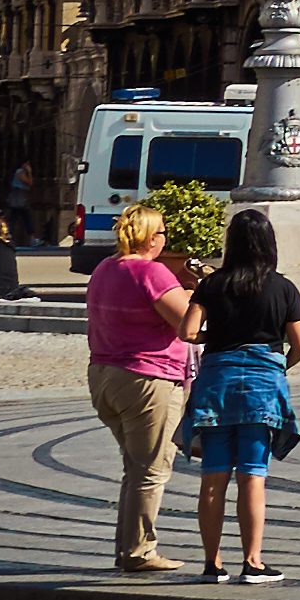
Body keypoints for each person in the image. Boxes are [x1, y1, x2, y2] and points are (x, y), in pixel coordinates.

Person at [184, 210, 300, 583]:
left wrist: (218, 339)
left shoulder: (212, 284)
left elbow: (187, 332)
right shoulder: (283, 288)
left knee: (213, 478)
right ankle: (253, 562)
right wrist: (277, 366)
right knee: (252, 477)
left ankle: (212, 564)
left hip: (216, 386)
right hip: (261, 389)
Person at [82, 206, 202, 577]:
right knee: (151, 469)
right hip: (147, 380)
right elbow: (189, 325)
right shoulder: (151, 272)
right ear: (152, 239)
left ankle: (129, 546)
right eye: (163, 233)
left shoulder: (105, 268)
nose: (166, 239)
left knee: (135, 467)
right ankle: (139, 551)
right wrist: (203, 295)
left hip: (104, 375)